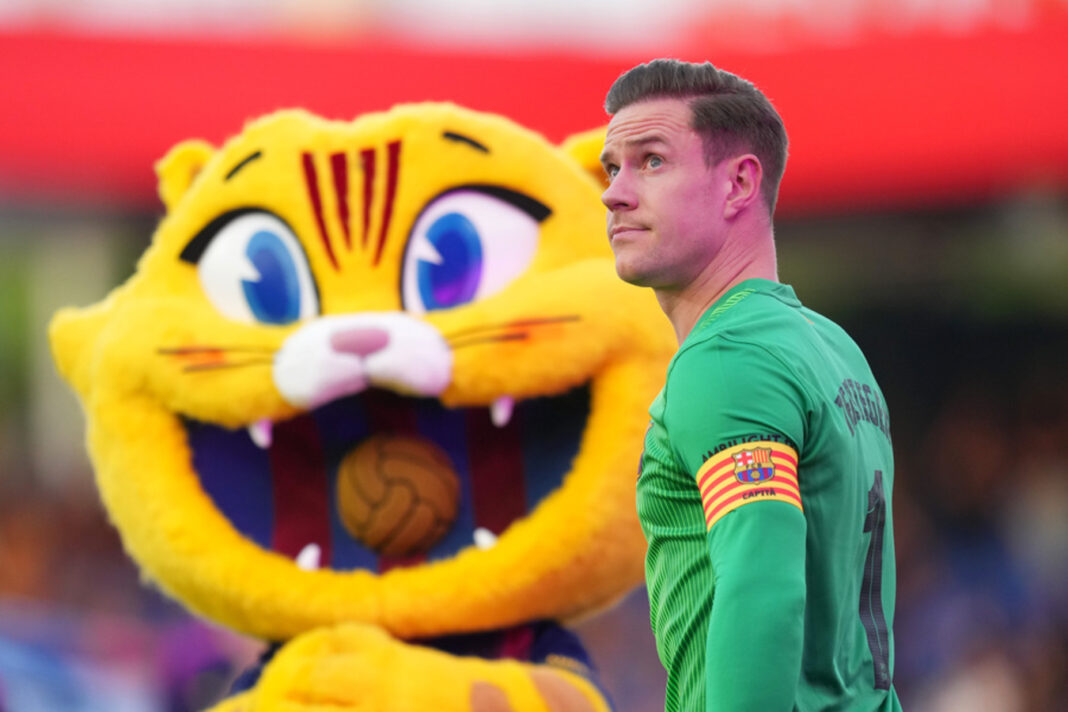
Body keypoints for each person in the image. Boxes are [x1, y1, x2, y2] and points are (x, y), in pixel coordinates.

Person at [600, 58, 903, 711]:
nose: (615, 192)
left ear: (739, 183)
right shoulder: (834, 349)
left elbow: (763, 591)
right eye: (612, 167)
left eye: (651, 161)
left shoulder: (728, 357)